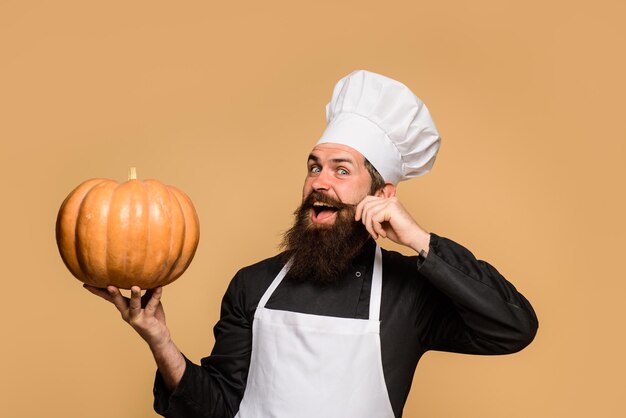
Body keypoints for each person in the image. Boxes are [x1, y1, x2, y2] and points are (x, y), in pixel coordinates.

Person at [85, 70, 538, 418]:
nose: (321, 183)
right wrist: (160, 340)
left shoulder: (408, 295)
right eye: (314, 167)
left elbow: (512, 327)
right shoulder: (254, 285)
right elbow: (220, 408)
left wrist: (419, 240)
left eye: (342, 170)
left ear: (382, 196)